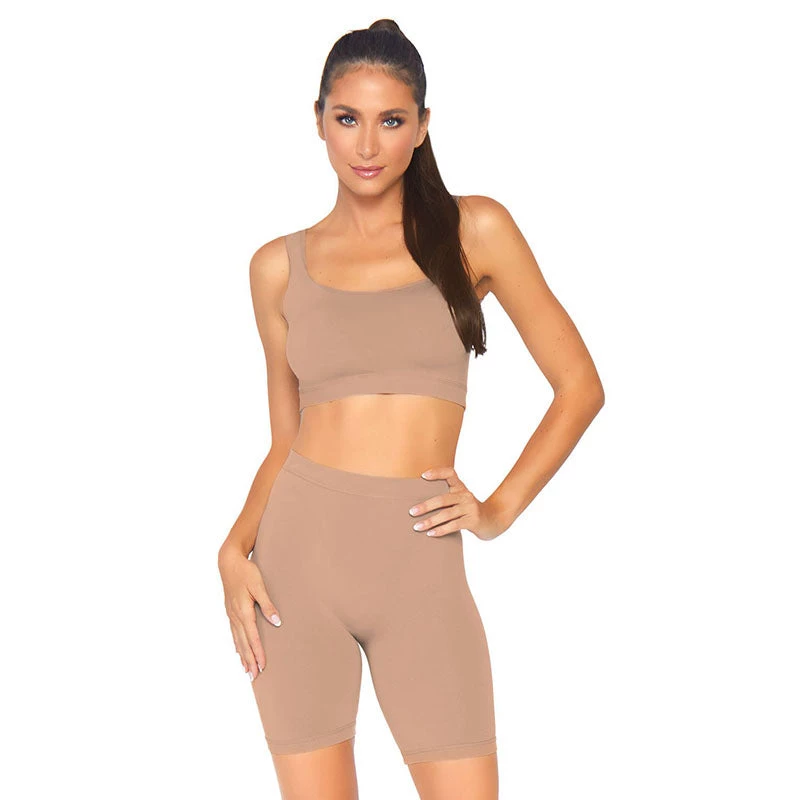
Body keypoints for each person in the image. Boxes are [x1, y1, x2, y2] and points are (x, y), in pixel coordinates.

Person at [218, 18, 604, 800]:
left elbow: (579, 386)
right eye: (347, 118)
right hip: (294, 568)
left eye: (391, 121)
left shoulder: (475, 229)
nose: (367, 145)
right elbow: (285, 439)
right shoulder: (276, 268)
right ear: (318, 121)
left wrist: (497, 511)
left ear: (423, 127)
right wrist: (232, 549)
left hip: (420, 566)